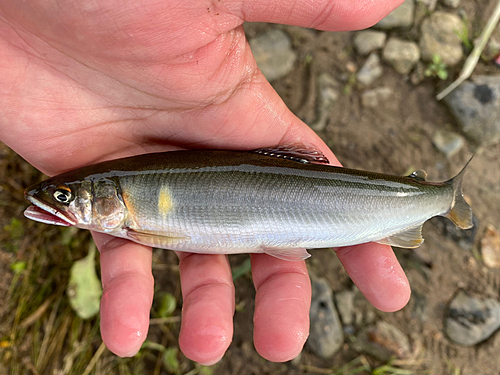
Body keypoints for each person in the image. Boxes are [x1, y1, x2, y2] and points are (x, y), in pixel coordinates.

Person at [0, 0, 409, 365]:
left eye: (65, 197)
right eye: (64, 196)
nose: (59, 202)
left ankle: (430, 199)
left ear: (109, 197)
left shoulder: (138, 219)